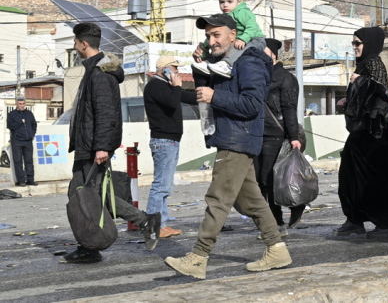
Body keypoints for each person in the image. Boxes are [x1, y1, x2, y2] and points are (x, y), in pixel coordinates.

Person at [165, 14, 292, 280]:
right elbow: (204, 96)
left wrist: (216, 95)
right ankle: (277, 248)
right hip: (231, 136)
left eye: (217, 35)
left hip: (238, 138)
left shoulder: (249, 62)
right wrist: (201, 68)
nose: (211, 41)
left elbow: (252, 105)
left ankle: (198, 257)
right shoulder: (223, 63)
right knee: (252, 202)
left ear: (233, 35)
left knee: (218, 199)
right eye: (209, 36)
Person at [62, 22, 161, 264]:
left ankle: (91, 245)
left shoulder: (99, 74)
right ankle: (140, 223)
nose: (75, 47)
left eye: (75, 43)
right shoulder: (95, 71)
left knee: (84, 196)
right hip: (88, 147)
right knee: (92, 196)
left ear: (83, 44)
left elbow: (106, 113)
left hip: (93, 148)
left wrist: (102, 147)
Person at [333, 26, 388, 239]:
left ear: (370, 44)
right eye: (353, 43)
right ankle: (355, 219)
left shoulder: (374, 63)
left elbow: (377, 95)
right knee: (349, 173)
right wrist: (349, 98)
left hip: (377, 133)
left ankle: (387, 223)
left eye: (358, 43)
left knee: (374, 177)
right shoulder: (364, 64)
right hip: (364, 131)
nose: (355, 47)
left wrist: (356, 85)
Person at [254, 38, 304, 237]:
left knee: (271, 180)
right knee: (260, 180)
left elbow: (289, 109)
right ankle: (284, 215)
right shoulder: (256, 76)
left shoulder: (285, 78)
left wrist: (294, 137)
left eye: (263, 51)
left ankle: (278, 223)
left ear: (273, 54)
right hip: (257, 134)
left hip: (276, 135)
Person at [143, 55, 197, 239]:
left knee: (165, 186)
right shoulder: (155, 86)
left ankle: (161, 224)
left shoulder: (167, 86)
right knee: (160, 186)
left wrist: (208, 95)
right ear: (165, 69)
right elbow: (174, 102)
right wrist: (176, 85)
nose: (177, 72)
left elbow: (187, 97)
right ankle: (153, 226)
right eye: (174, 68)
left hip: (171, 141)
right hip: (163, 141)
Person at [192, 0, 266, 78]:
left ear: (239, 1)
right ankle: (209, 63)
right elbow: (213, 35)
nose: (225, 5)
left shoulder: (243, 12)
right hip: (242, 39)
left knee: (238, 48)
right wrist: (205, 47)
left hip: (255, 39)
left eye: (230, 2)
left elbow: (252, 27)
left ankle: (227, 65)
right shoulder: (226, 17)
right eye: (222, 2)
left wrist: (244, 39)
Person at [7, 96, 37, 187]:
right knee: (18, 161)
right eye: (20, 104)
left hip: (28, 141)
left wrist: (32, 134)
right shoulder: (11, 114)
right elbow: (10, 126)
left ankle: (30, 180)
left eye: (23, 103)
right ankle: (21, 181)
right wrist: (20, 122)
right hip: (17, 141)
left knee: (29, 160)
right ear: (16, 104)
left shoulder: (29, 113)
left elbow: (34, 125)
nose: (22, 105)